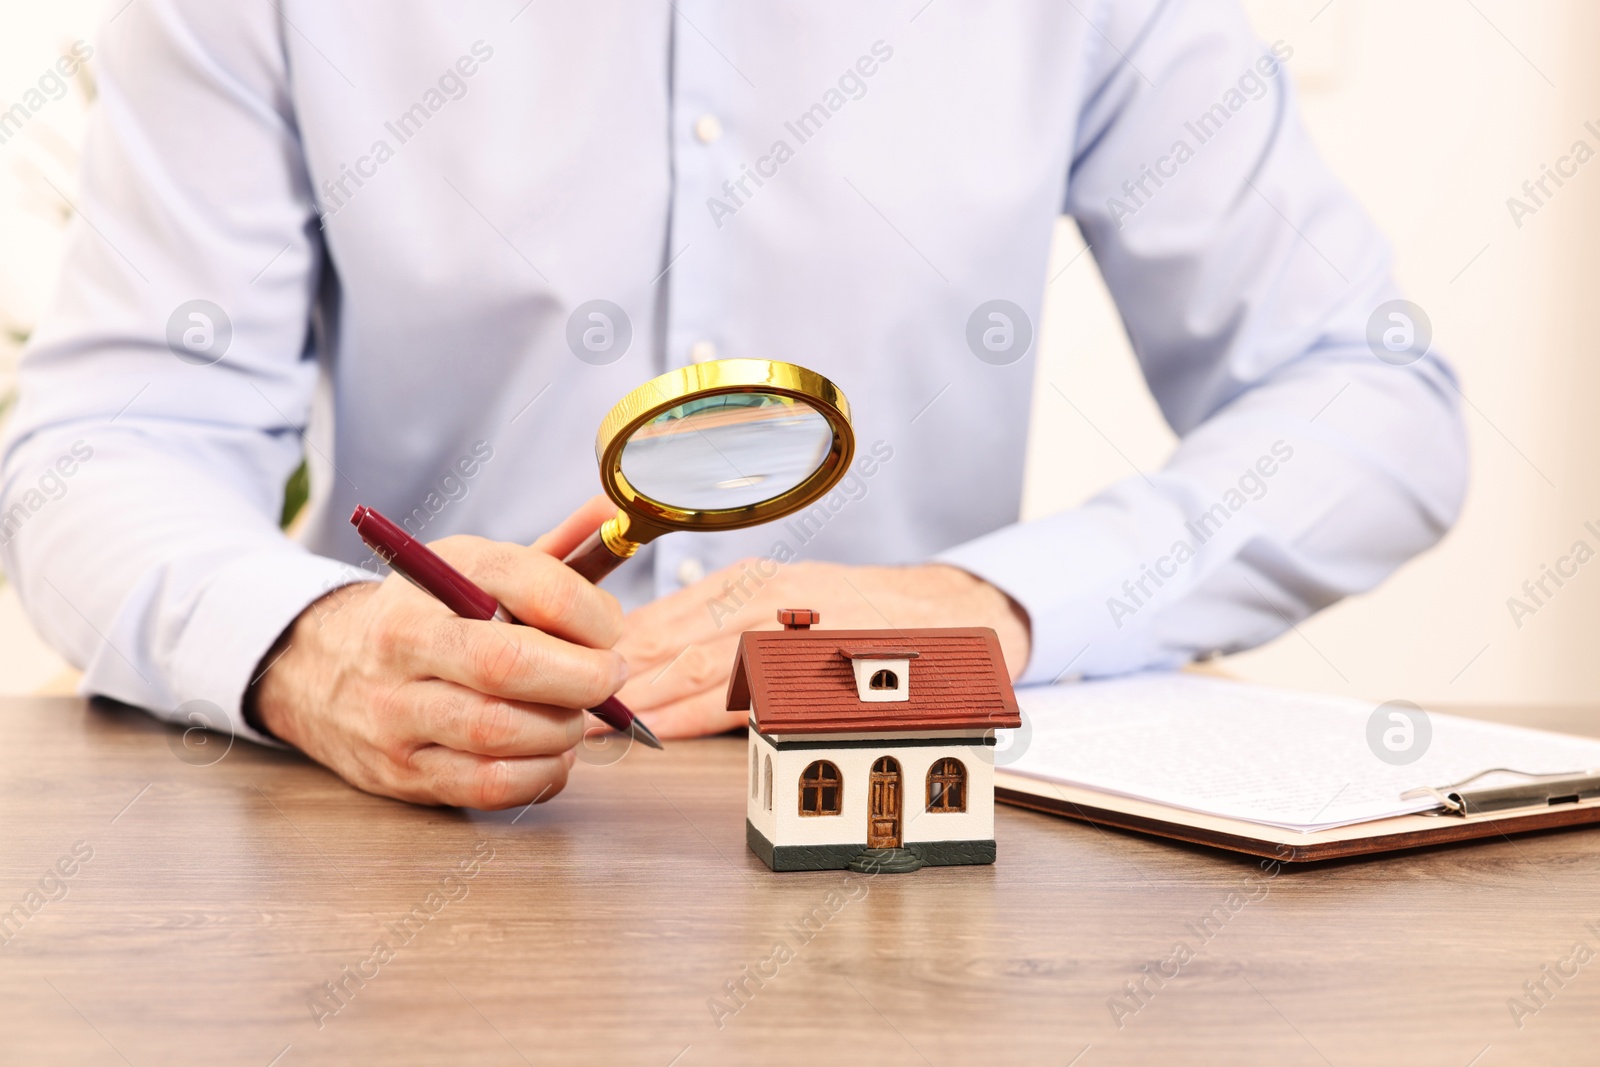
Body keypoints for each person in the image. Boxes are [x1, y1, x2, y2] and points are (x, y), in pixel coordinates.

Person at [0, 1, 1467, 810]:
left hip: (905, 845)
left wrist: (994, 605)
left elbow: (1372, 394)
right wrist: (313, 650)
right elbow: (105, 444)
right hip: (437, 849)